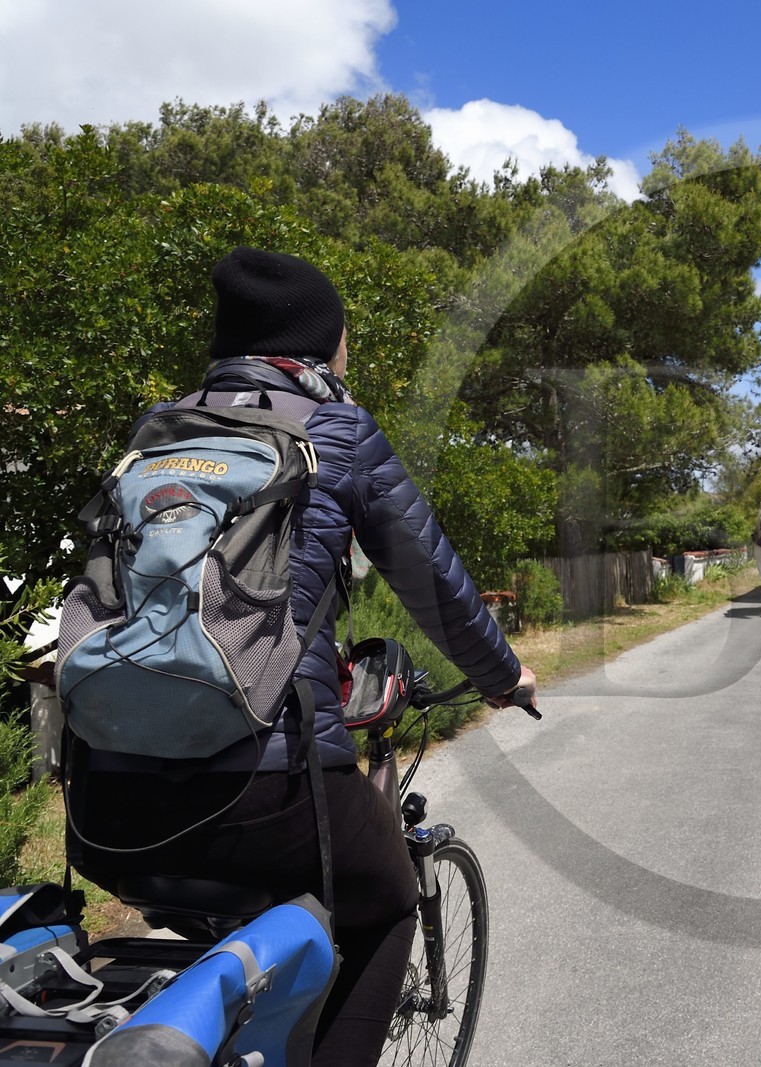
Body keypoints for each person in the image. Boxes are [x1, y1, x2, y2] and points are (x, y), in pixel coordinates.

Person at [68, 247, 538, 1067]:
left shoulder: (157, 431)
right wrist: (504, 677)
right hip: (263, 795)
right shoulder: (338, 430)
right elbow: (437, 585)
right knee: (387, 902)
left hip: (103, 810)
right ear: (324, 344)